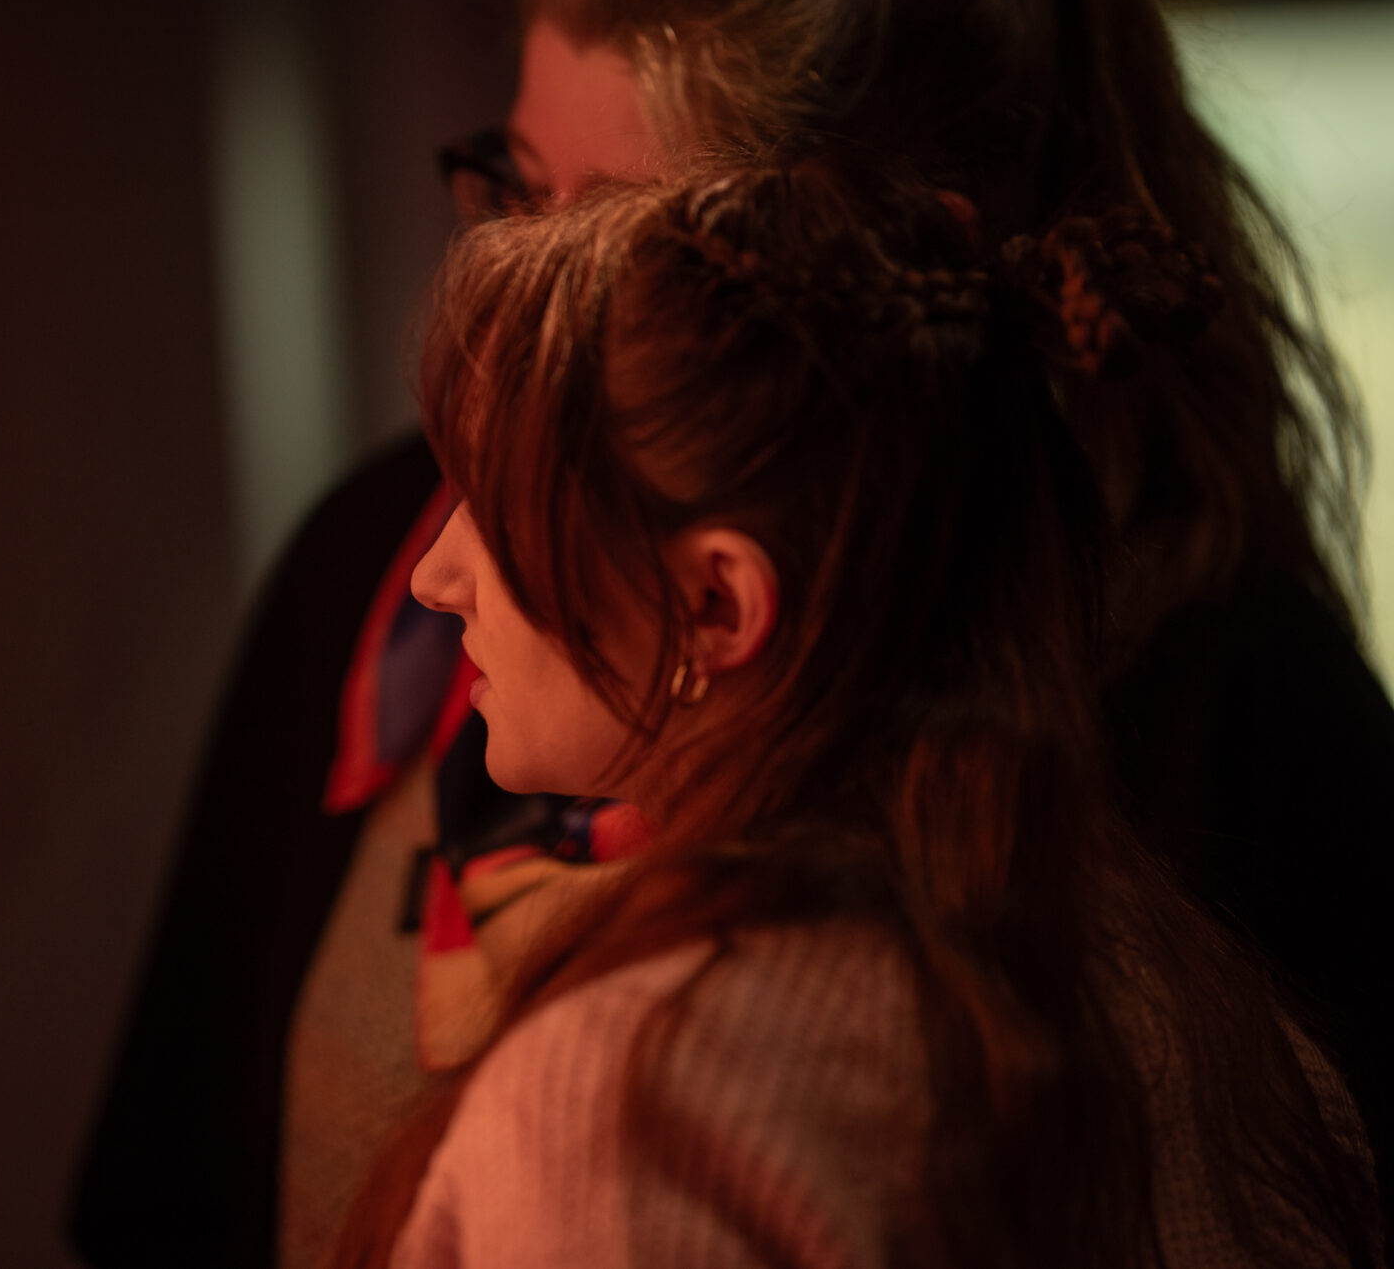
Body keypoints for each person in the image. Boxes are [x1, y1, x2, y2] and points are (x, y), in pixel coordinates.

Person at [70, 0, 1394, 1263]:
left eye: (608, 250)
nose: (434, 565)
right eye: (518, 195)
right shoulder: (1184, 1000)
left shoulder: (630, 1111)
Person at [340, 151, 1381, 1268]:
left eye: (495, 509)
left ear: (715, 606)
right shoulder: (1226, 1033)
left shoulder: (629, 1106)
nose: (435, 577)